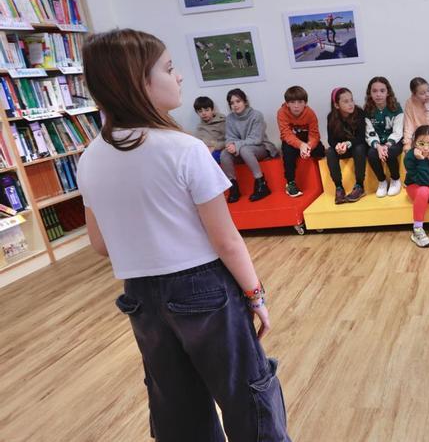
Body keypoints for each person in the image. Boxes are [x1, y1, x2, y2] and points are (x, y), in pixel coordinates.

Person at [77, 28, 290, 441]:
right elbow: (225, 240)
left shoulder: (90, 158)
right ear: (139, 81)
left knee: (176, 405)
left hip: (140, 294)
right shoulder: (183, 149)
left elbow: (101, 245)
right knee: (247, 393)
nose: (178, 78)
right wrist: (256, 295)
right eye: (170, 69)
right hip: (205, 289)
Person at [221, 88, 279, 203]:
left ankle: (261, 184)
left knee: (245, 150)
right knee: (224, 154)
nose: (235, 105)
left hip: (261, 147)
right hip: (240, 149)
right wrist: (230, 145)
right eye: (232, 103)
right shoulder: (229, 119)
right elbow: (229, 137)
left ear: (245, 102)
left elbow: (256, 139)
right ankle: (233, 188)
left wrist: (236, 145)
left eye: (238, 101)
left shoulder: (256, 115)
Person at [277, 85, 325, 197]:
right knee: (287, 153)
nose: (296, 106)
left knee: (320, 150)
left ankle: (323, 179)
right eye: (293, 102)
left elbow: (314, 135)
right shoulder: (282, 113)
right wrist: (300, 145)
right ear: (287, 103)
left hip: (307, 142)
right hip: (292, 142)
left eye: (300, 102)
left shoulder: (310, 113)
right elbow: (286, 134)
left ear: (305, 103)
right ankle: (290, 183)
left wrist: (308, 147)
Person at [326, 87, 368, 204]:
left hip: (356, 146)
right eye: (346, 101)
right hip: (342, 149)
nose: (350, 104)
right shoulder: (331, 117)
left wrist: (348, 144)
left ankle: (359, 185)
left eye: (351, 100)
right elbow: (330, 140)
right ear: (336, 105)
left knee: (359, 149)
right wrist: (337, 146)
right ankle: (339, 187)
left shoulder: (359, 113)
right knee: (329, 151)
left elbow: (362, 137)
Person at [364, 76, 404, 198]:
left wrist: (386, 145)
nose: (378, 94)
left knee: (390, 153)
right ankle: (381, 181)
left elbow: (398, 131)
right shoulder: (368, 110)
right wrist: (377, 146)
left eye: (382, 90)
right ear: (370, 93)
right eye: (374, 91)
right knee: (371, 154)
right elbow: (369, 132)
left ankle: (395, 179)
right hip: (376, 143)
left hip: (393, 142)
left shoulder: (396, 108)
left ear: (388, 92)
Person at [192, 96, 226, 162]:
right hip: (205, 151)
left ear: (212, 110)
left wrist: (214, 147)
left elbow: (229, 140)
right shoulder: (200, 127)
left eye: (207, 110)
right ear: (197, 113)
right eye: (200, 111)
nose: (204, 113)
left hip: (218, 151)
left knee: (210, 159)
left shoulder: (221, 122)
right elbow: (198, 143)